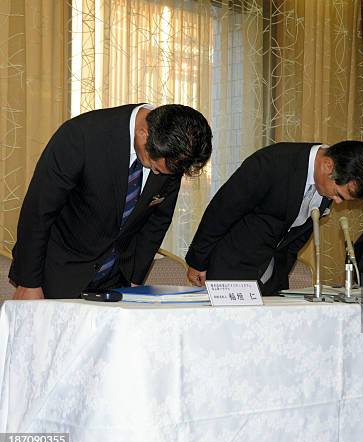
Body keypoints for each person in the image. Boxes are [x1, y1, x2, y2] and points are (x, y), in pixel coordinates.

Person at [9, 103, 213, 299]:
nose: (160, 173)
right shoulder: (82, 135)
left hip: (115, 280)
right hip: (56, 272)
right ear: (143, 135)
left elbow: (157, 222)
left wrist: (135, 279)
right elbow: (39, 210)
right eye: (156, 167)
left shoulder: (173, 151)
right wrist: (29, 283)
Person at [185, 141, 363, 295]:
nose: (337, 202)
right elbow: (222, 210)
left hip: (273, 277)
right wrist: (198, 261)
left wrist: (281, 272)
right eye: (339, 194)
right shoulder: (273, 163)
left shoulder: (329, 184)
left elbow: (297, 234)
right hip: (231, 268)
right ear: (327, 166)